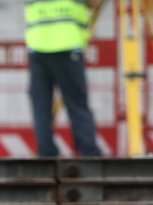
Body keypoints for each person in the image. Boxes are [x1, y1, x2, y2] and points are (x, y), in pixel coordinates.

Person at [25, 0, 102, 157]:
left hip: (38, 47)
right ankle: (89, 151)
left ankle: (46, 152)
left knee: (41, 105)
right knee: (77, 103)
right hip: (67, 46)